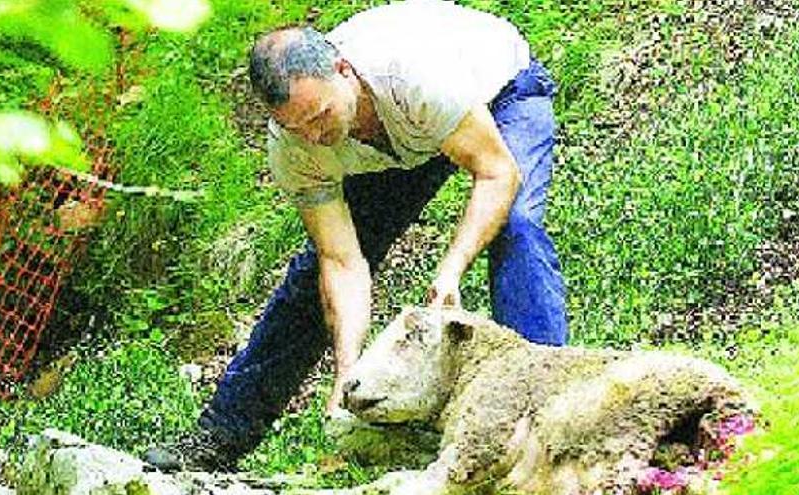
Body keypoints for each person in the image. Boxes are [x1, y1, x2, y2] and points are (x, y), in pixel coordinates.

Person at [146, 0, 567, 471]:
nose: (313, 135)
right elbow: (342, 262)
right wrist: (348, 379)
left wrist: (451, 271)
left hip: (500, 89)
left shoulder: (414, 75)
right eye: (296, 127)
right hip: (401, 140)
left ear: (344, 70)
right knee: (309, 280)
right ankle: (219, 436)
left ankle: (545, 420)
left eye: (320, 115)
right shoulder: (295, 147)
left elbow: (497, 173)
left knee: (517, 229)